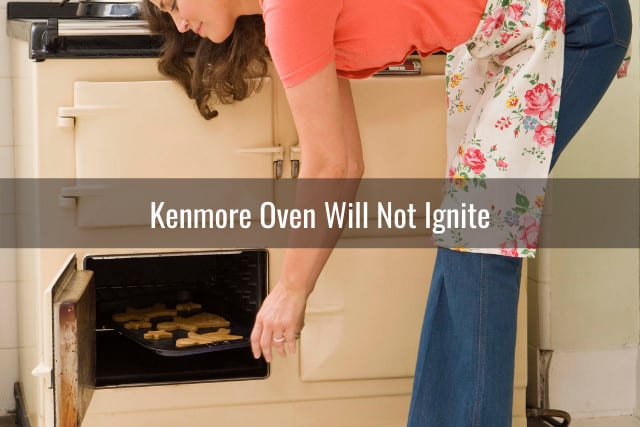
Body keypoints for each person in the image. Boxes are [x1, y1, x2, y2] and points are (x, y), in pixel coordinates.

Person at [143, 0, 632, 425]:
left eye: (172, 6)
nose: (181, 25)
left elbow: (330, 166)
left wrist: (292, 290)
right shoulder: (283, 21)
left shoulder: (289, 11)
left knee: (476, 245)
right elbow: (347, 163)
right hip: (512, 39)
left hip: (571, 23)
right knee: (464, 243)